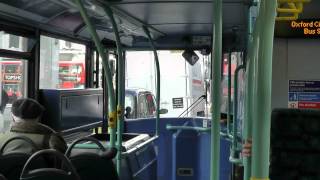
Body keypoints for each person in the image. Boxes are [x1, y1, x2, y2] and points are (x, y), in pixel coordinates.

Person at [0, 98, 67, 154]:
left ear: (12, 115)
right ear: (38, 117)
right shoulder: (52, 139)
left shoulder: (2, 138)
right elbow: (63, 163)